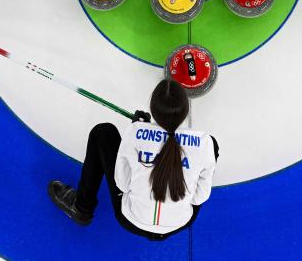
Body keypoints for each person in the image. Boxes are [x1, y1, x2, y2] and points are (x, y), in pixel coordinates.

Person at [48, 79, 219, 240]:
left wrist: (138, 128)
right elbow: (199, 198)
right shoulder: (204, 143)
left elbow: (122, 184)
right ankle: (173, 213)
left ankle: (82, 209)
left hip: (131, 220)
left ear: (152, 109)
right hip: (180, 223)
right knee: (213, 146)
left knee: (103, 132)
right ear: (185, 111)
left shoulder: (135, 132)